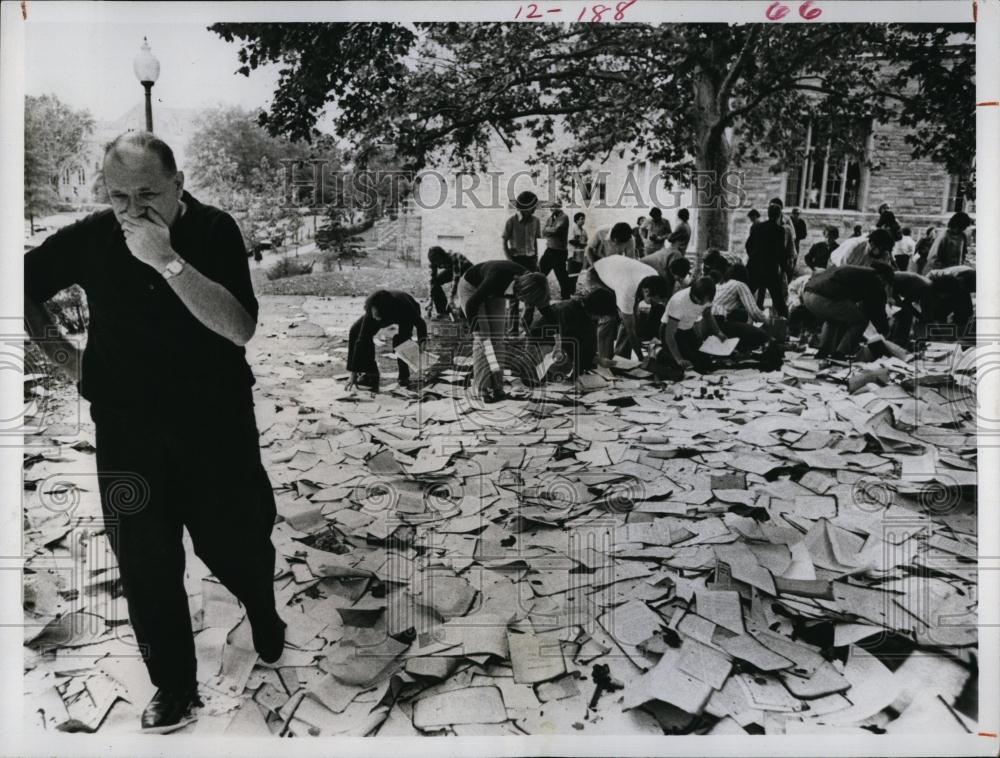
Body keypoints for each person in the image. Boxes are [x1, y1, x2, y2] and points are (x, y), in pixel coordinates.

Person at [24, 132, 282, 731]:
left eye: (148, 194)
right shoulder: (90, 236)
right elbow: (21, 284)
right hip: (126, 425)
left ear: (178, 184)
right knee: (144, 561)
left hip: (214, 422)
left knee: (237, 539)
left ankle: (261, 608)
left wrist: (166, 261)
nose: (133, 211)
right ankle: (174, 684)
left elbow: (240, 328)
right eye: (120, 197)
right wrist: (69, 361)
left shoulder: (216, 231)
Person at [456, 261, 550, 402]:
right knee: (484, 340)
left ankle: (497, 387)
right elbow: (472, 304)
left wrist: (559, 339)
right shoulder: (496, 278)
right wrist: (476, 330)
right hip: (472, 287)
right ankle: (483, 388)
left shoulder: (534, 285)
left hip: (496, 291)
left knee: (497, 339)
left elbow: (548, 312)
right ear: (521, 292)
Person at [579, 254, 668, 361]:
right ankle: (605, 361)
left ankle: (621, 359)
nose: (653, 305)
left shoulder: (654, 277)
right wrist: (641, 358)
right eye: (653, 301)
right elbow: (630, 329)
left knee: (633, 317)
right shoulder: (627, 290)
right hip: (597, 275)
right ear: (647, 291)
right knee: (608, 317)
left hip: (618, 275)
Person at [801, 263, 894, 359]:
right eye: (885, 283)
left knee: (833, 319)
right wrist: (884, 330)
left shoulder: (857, 271)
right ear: (882, 276)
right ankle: (840, 353)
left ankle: (823, 351)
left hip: (808, 295)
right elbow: (876, 309)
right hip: (824, 297)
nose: (884, 285)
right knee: (860, 321)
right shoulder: (874, 278)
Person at [346, 290, 428, 392]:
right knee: (355, 331)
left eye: (378, 316)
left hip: (405, 308)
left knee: (402, 340)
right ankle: (371, 371)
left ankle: (404, 377)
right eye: (374, 314)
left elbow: (420, 324)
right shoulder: (372, 309)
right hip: (383, 312)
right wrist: (354, 372)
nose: (375, 318)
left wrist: (422, 340)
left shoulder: (406, 309)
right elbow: (362, 339)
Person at [528, 288, 619, 380]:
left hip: (559, 346)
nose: (600, 318)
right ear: (597, 309)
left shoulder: (587, 313)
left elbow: (588, 343)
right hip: (540, 346)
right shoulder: (567, 311)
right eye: (601, 316)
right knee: (564, 364)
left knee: (576, 370)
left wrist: (598, 359)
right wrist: (594, 359)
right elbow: (569, 344)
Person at [658, 276, 728, 374]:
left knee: (705, 362)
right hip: (671, 332)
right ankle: (661, 354)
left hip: (688, 329)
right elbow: (669, 335)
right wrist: (679, 359)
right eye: (703, 301)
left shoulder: (707, 296)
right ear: (695, 297)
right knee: (688, 365)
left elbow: (707, 315)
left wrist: (718, 332)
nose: (705, 303)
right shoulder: (678, 302)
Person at [502, 190, 542, 334]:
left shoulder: (536, 221)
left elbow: (536, 242)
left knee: (531, 297)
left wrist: (537, 259)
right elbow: (504, 241)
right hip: (515, 261)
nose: (535, 208)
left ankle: (525, 328)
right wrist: (509, 260)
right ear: (525, 206)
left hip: (530, 261)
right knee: (514, 298)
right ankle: (512, 331)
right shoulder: (511, 221)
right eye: (533, 205)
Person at [711, 264, 770, 351]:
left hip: (709, 324)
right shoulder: (739, 284)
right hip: (720, 324)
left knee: (742, 314)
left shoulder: (719, 285)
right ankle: (739, 349)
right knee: (763, 335)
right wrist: (769, 322)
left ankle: (735, 346)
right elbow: (754, 312)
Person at [746, 204, 790, 317]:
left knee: (746, 295)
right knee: (778, 300)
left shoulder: (757, 227)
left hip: (754, 266)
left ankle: (736, 317)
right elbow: (781, 252)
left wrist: (753, 256)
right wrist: (784, 268)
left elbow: (748, 245)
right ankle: (786, 324)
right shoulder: (779, 230)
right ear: (778, 215)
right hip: (770, 268)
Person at [925, 265, 975, 340]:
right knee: (939, 312)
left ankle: (955, 331)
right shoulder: (931, 286)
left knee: (964, 313)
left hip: (957, 280)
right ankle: (943, 333)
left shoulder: (962, 285)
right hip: (940, 281)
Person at [427, 246, 472, 317]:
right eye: (436, 263)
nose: (438, 265)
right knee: (436, 282)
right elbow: (432, 281)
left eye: (439, 262)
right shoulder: (433, 262)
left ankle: (464, 310)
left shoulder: (454, 257)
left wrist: (451, 297)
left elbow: (456, 279)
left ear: (443, 257)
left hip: (467, 269)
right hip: (453, 269)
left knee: (462, 314)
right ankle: (443, 310)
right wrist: (430, 300)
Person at [540, 204, 573, 299]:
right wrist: (548, 231)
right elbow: (543, 232)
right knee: (540, 273)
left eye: (554, 206)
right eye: (551, 207)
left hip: (559, 252)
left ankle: (566, 299)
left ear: (559, 207)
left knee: (562, 277)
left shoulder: (564, 217)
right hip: (549, 250)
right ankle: (539, 295)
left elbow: (556, 230)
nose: (551, 209)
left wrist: (547, 230)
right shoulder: (551, 218)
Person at [829, 228, 895, 269]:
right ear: (872, 244)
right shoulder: (853, 246)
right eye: (882, 250)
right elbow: (841, 269)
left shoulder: (884, 254)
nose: (883, 254)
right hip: (835, 266)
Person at [568, 212, 588, 279]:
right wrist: (581, 244)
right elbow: (570, 240)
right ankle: (569, 289)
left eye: (584, 219)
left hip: (580, 256)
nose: (583, 221)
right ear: (577, 220)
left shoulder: (584, 231)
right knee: (571, 275)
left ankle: (573, 289)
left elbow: (586, 240)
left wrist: (585, 244)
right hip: (573, 255)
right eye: (581, 219)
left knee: (576, 276)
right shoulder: (573, 228)